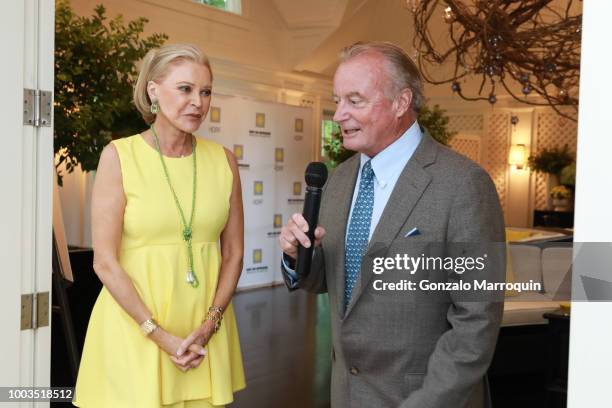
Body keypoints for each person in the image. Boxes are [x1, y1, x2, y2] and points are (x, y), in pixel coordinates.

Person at [279, 41, 505, 408]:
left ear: (401, 102)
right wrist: (297, 256)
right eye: (337, 100)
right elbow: (331, 280)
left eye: (355, 100)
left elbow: (476, 321)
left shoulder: (464, 184)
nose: (338, 115)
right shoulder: (337, 181)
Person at [74, 44, 245, 408]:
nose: (197, 101)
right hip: (135, 329)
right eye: (185, 89)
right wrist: (160, 335)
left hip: (203, 337)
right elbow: (104, 261)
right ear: (153, 90)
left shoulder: (224, 161)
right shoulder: (119, 156)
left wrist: (210, 324)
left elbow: (233, 253)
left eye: (206, 91)